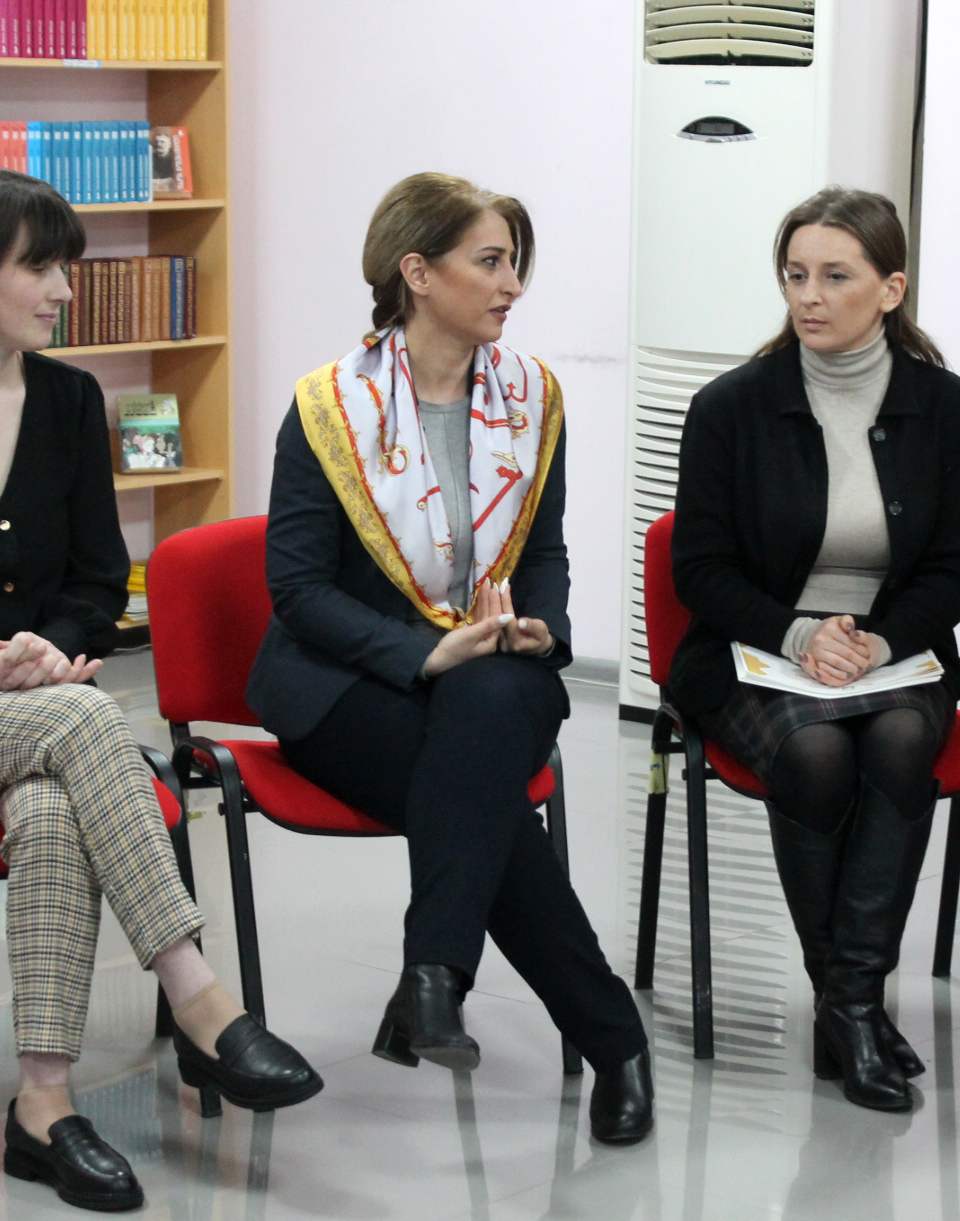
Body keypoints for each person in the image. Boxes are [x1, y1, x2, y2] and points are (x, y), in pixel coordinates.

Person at [0, 165, 322, 1212]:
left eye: (65, 268)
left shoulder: (71, 401)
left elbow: (96, 580)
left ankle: (42, 1104)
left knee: (50, 808)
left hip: (32, 723)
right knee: (86, 721)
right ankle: (200, 1000)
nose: (63, 290)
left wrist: (53, 644)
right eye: (38, 267)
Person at [246, 172, 654, 1146]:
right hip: (344, 685)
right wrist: (426, 654)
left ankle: (433, 976)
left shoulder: (531, 398)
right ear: (417, 272)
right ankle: (611, 1040)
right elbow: (298, 592)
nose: (512, 284)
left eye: (515, 263)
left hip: (496, 672)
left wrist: (542, 626)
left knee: (488, 713)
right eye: (491, 261)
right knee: (485, 799)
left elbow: (545, 552)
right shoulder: (329, 407)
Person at [668, 186, 960, 1112]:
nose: (809, 296)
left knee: (899, 738)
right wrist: (801, 634)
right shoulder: (730, 407)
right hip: (756, 646)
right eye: (795, 275)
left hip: (895, 648)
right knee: (815, 753)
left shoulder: (947, 409)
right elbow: (700, 570)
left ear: (890, 289)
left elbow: (959, 566)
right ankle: (852, 1006)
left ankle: (845, 1005)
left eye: (835, 277)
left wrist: (878, 640)